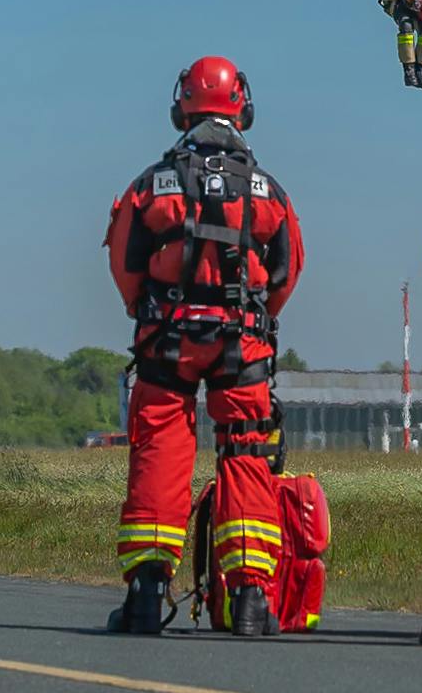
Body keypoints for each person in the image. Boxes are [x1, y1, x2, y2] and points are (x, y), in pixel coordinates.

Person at [103, 56, 304, 636]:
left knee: (160, 449)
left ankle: (146, 595)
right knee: (246, 455)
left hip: (167, 341)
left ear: (180, 107)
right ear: (242, 107)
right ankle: (249, 601)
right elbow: (288, 272)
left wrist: (152, 315)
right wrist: (254, 321)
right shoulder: (270, 191)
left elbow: (126, 265)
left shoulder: (151, 185)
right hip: (242, 349)